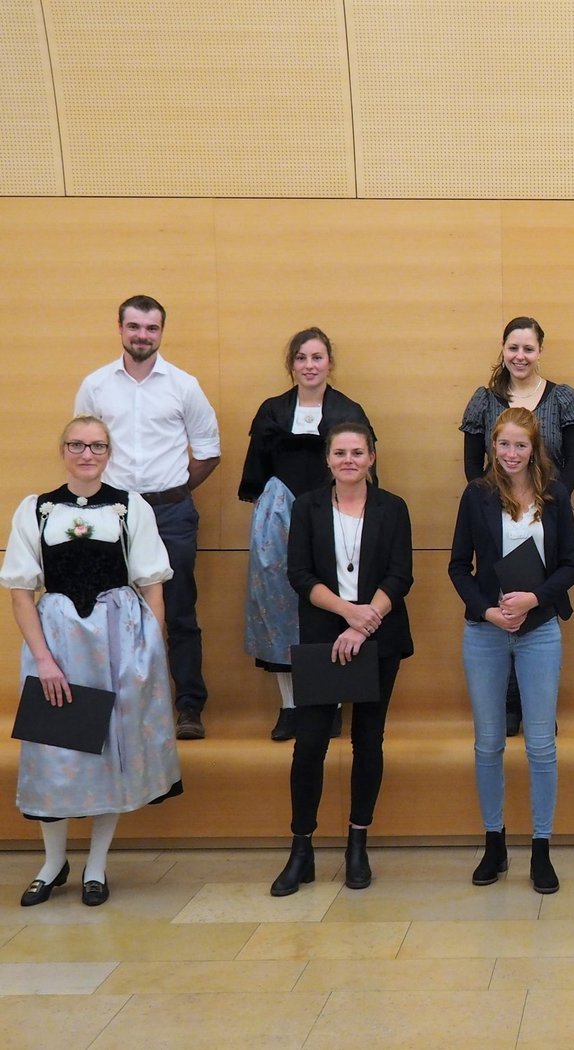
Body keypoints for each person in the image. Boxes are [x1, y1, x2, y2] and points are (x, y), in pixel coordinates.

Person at [2, 416, 182, 907]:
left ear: (108, 452)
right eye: (77, 445)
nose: (87, 453)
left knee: (109, 751)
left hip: (117, 640)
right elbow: (20, 592)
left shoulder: (130, 507)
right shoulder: (36, 509)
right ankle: (52, 862)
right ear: (63, 450)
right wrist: (44, 659)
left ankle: (96, 866)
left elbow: (152, 584)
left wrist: (151, 646)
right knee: (55, 751)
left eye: (97, 446)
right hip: (57, 641)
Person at [271, 422, 414, 896]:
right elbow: (299, 573)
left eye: (357, 452)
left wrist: (364, 621)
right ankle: (302, 850)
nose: (348, 460)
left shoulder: (393, 508)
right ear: (328, 459)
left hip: (378, 637)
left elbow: (400, 575)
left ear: (372, 457)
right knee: (309, 745)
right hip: (322, 639)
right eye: (340, 452)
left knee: (367, 743)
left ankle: (358, 845)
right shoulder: (307, 506)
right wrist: (346, 615)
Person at [75, 294, 220, 740]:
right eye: (134, 327)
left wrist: (171, 492)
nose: (142, 335)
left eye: (151, 328)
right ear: (120, 329)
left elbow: (210, 452)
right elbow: (81, 446)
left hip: (171, 513)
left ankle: (188, 708)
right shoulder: (96, 385)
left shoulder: (184, 385)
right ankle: (111, 709)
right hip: (109, 513)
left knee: (178, 613)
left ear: (162, 332)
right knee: (102, 611)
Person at [449, 408, 574, 894]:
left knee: (542, 744)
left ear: (534, 449)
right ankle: (495, 843)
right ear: (492, 447)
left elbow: (571, 566)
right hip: (485, 632)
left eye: (519, 445)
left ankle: (541, 849)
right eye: (502, 444)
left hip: (539, 629)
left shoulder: (555, 496)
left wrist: (534, 599)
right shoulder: (477, 495)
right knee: (488, 743)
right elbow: (459, 567)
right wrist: (488, 612)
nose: (510, 454)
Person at [239, 327, 376, 741]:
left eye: (317, 357)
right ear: (292, 364)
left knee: (329, 604)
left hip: (333, 512)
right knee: (278, 612)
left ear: (330, 362)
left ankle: (329, 702)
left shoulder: (350, 410)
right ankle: (289, 707)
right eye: (301, 358)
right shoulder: (272, 411)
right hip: (278, 518)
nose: (310, 365)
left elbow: (366, 473)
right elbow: (256, 474)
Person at [462, 317, 574, 738]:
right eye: (512, 348)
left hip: (544, 515)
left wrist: (548, 503)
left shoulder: (563, 398)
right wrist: (497, 507)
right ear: (503, 350)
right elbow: (470, 467)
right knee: (503, 605)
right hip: (497, 515)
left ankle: (535, 707)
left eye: (528, 348)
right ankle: (509, 707)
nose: (520, 356)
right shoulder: (483, 401)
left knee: (535, 609)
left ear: (539, 351)